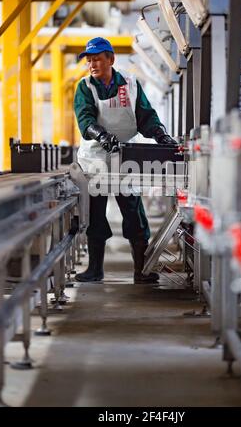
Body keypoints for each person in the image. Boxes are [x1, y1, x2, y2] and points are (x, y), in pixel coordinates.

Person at [73, 37, 177, 284]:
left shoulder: (130, 84)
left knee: (133, 211)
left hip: (125, 158)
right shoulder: (85, 86)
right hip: (95, 158)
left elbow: (145, 116)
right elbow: (85, 119)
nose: (92, 64)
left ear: (111, 59)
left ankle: (141, 270)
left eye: (97, 59)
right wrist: (101, 135)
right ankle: (95, 269)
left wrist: (160, 134)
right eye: (89, 60)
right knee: (96, 214)